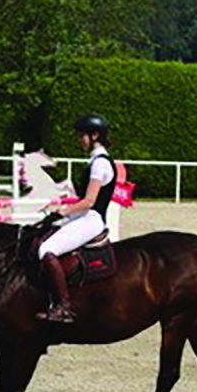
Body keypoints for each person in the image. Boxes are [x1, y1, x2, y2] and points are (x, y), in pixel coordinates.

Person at [37, 115, 121, 322]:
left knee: (46, 250)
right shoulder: (97, 160)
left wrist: (61, 213)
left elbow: (89, 201)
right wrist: (60, 207)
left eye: (81, 135)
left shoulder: (100, 164)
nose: (79, 140)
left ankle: (63, 306)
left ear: (94, 136)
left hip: (92, 219)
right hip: (86, 215)